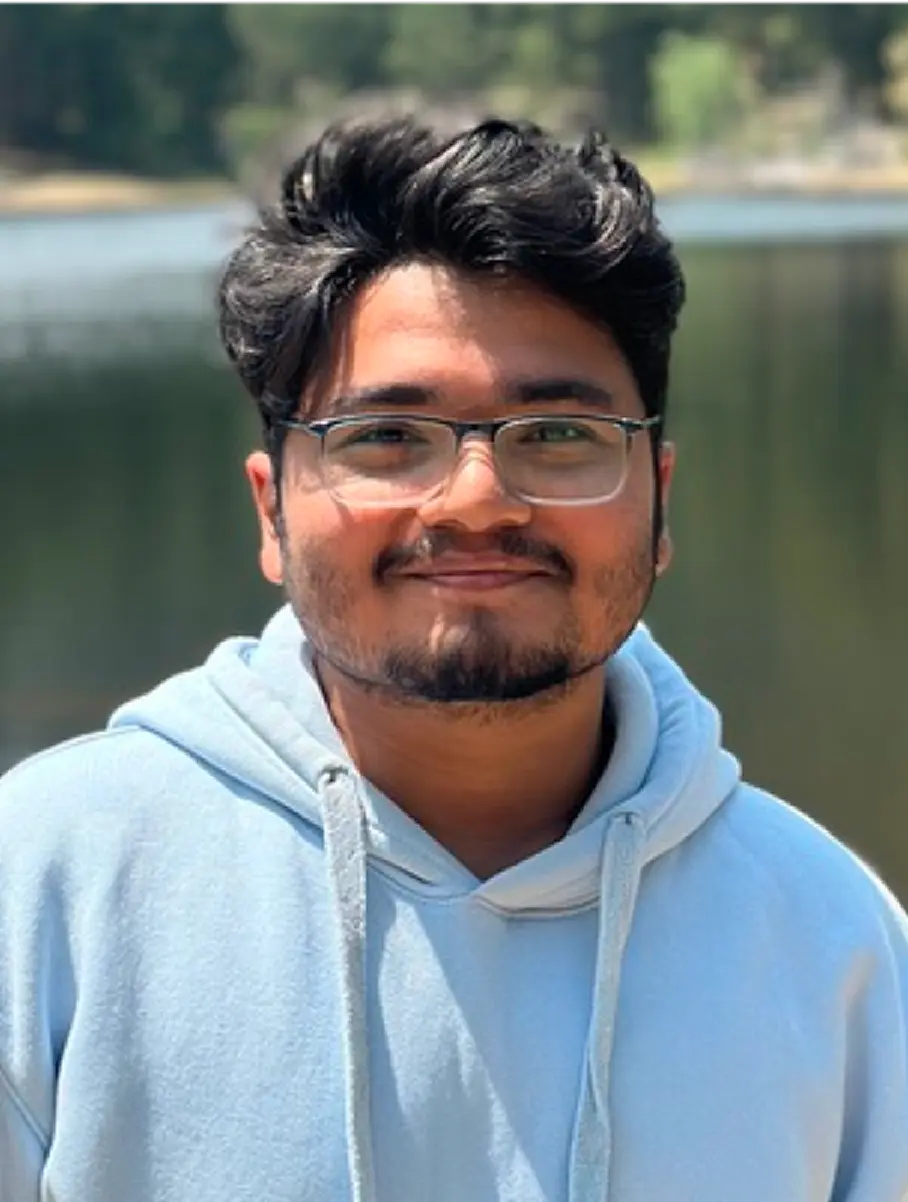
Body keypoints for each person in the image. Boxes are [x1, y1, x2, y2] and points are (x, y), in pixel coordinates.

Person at [1, 116, 906, 1202]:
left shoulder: (829, 935)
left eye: (557, 435)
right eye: (385, 437)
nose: (477, 500)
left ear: (659, 499)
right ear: (271, 511)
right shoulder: (48, 883)